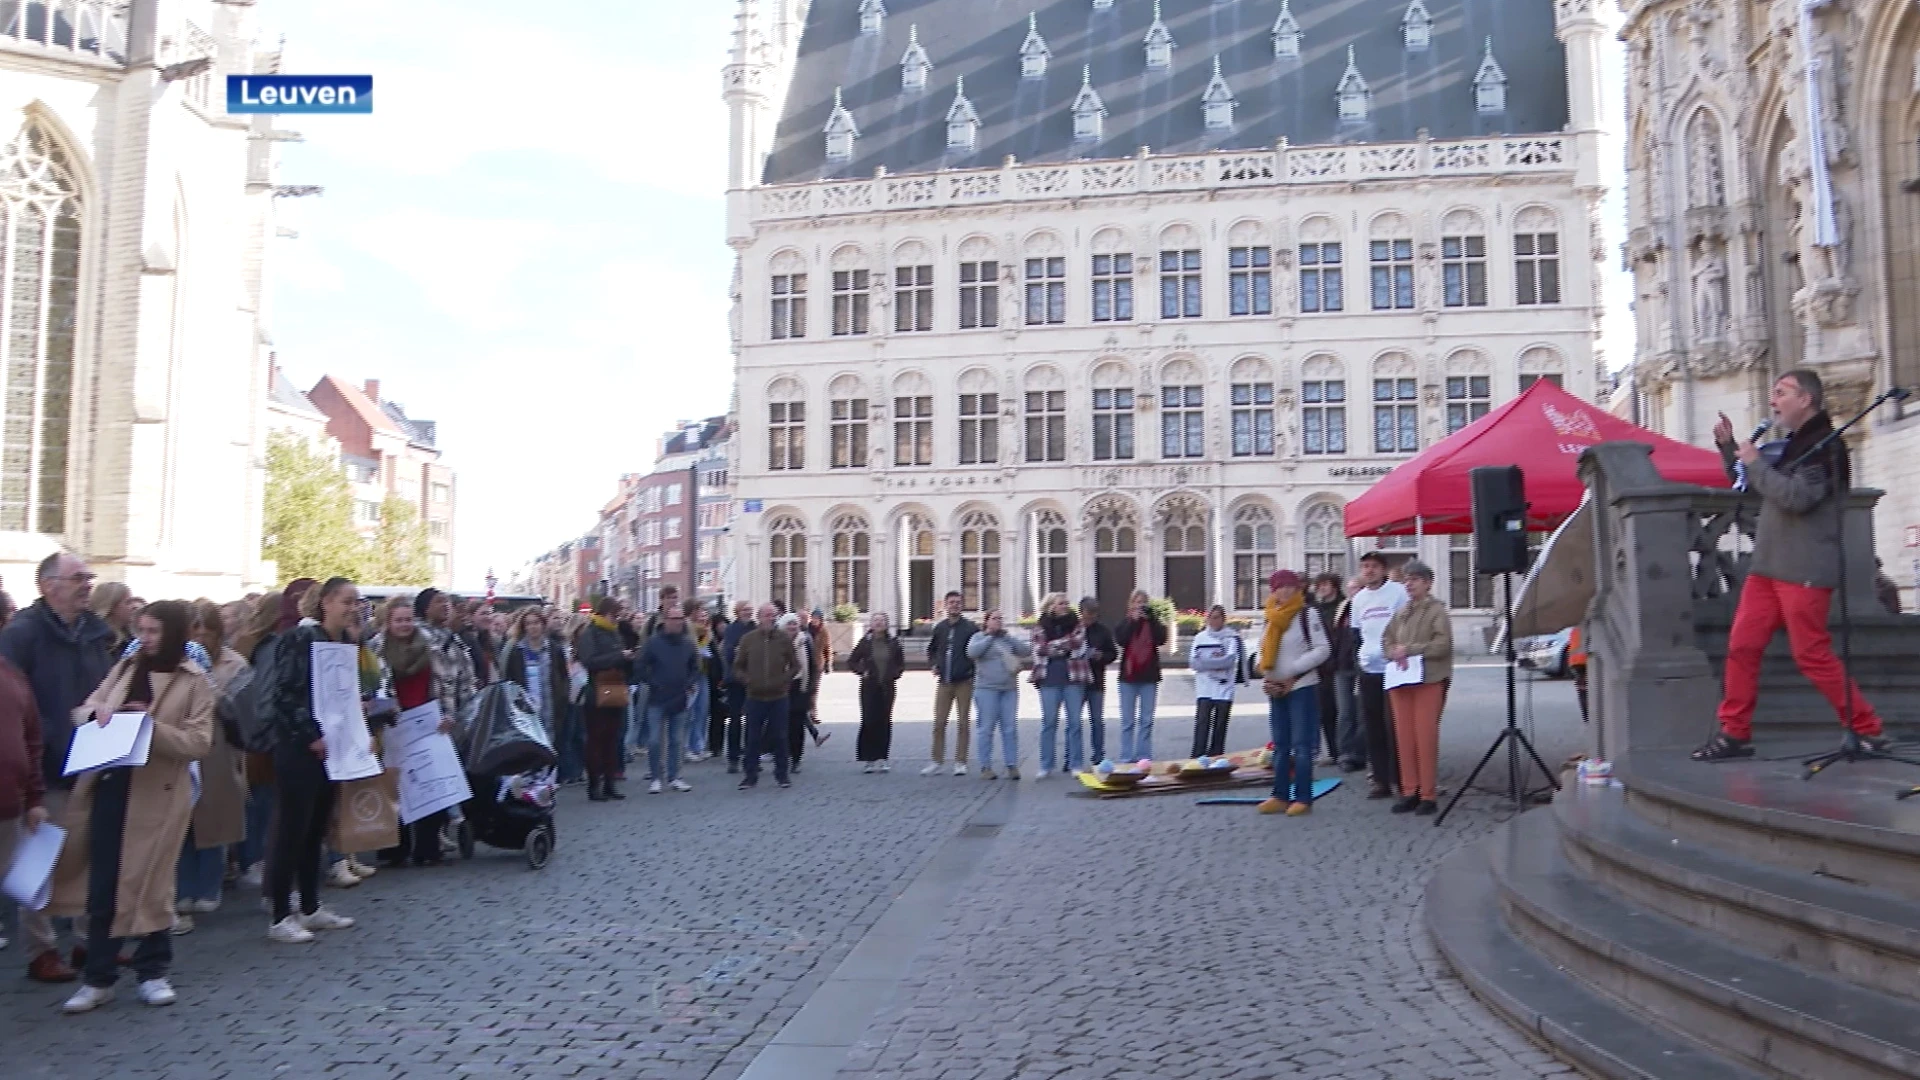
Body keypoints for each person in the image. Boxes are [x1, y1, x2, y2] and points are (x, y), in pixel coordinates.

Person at [1695, 370, 1891, 760]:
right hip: (1768, 567)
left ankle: (1868, 730)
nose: (1773, 400)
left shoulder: (1825, 446)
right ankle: (1735, 734)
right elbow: (1748, 484)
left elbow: (1797, 497)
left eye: (1781, 393)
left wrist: (1753, 461)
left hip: (1804, 567)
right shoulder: (1791, 445)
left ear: (1806, 399)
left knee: (1811, 654)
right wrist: (1728, 448)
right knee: (1742, 647)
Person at [51, 600, 214, 1011]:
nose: (145, 638)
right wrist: (98, 714)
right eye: (141, 629)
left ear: (174, 633)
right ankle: (98, 976)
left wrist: (150, 727)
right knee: (104, 883)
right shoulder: (125, 667)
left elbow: (199, 742)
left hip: (158, 795)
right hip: (112, 786)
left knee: (153, 883)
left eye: (155, 631)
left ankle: (153, 971)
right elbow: (83, 709)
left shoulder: (194, 680)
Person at [0, 553, 113, 983]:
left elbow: (105, 688)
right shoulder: (23, 633)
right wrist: (45, 740)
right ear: (48, 585)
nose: (87, 584)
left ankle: (89, 941)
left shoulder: (95, 633)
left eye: (89, 577)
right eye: (77, 578)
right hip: (46, 765)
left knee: (90, 857)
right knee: (41, 861)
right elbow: (15, 700)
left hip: (92, 762)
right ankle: (41, 949)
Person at [262, 578, 362, 943]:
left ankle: (310, 905)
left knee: (316, 828)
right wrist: (310, 734)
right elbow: (285, 695)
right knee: (292, 829)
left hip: (331, 747)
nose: (353, 607)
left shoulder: (345, 642)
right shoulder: (300, 638)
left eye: (356, 601)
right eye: (346, 601)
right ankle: (278, 915)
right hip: (299, 748)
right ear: (326, 602)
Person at [173, 601, 250, 931]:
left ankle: (209, 886)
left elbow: (240, 710)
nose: (202, 638)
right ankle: (184, 889)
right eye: (196, 632)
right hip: (184, 746)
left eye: (208, 632)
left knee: (214, 822)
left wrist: (214, 693)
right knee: (184, 824)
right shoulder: (177, 659)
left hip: (219, 749)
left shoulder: (235, 663)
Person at [369, 597, 456, 866]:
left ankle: (429, 847)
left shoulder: (431, 646)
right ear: (388, 622)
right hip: (392, 722)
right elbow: (371, 686)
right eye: (399, 620)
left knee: (430, 782)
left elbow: (446, 681)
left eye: (408, 619)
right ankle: (395, 849)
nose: (404, 625)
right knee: (394, 785)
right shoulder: (376, 648)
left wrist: (448, 712)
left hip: (428, 720)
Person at [1256, 573, 1331, 816]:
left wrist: (1293, 671)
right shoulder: (1269, 617)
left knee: (1301, 744)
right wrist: (1264, 671)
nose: (1285, 592)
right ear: (1273, 591)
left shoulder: (1307, 615)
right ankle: (1279, 794)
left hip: (1301, 686)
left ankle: (1302, 797)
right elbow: (1262, 649)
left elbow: (1323, 649)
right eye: (1280, 587)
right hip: (1276, 687)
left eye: (1290, 587)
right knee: (1280, 744)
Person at [1382, 561, 1453, 815]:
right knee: (1405, 738)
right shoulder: (1401, 612)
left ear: (1427, 583)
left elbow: (1442, 645)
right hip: (1402, 681)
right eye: (1406, 580)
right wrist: (1391, 651)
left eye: (1414, 579)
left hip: (1428, 680)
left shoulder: (1436, 611)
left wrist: (1409, 650)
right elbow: (1387, 639)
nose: (1409, 584)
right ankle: (1409, 790)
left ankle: (1428, 794)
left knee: (1425, 737)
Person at [0, 652, 48, 970]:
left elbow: (32, 740)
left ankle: (42, 953)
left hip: (10, 802)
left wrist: (34, 798)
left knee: (27, 880)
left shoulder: (13, 675)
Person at [1351, 553, 1410, 798]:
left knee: (1393, 725)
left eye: (1374, 567)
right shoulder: (1359, 599)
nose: (1369, 571)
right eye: (1365, 567)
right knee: (1372, 726)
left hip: (1393, 668)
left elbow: (1406, 625)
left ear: (1383, 570)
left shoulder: (1397, 592)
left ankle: (1401, 778)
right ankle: (1380, 780)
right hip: (1368, 669)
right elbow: (1356, 633)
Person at [636, 601, 700, 794]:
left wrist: (689, 683)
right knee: (655, 740)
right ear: (665, 620)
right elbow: (640, 666)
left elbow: (695, 667)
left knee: (676, 740)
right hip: (657, 697)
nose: (679, 622)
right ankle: (655, 777)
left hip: (679, 696)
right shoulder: (653, 643)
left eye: (681, 619)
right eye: (674, 619)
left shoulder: (687, 643)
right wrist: (652, 682)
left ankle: (675, 776)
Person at [735, 604, 799, 790]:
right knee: (752, 737)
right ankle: (750, 776)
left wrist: (784, 679)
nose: (770, 619)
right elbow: (738, 665)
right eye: (767, 615)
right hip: (755, 696)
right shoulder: (748, 639)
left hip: (778, 696)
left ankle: (782, 775)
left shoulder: (783, 639)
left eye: (773, 616)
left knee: (780, 736)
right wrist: (746, 679)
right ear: (759, 617)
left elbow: (795, 665)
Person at [575, 597, 633, 800]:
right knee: (596, 738)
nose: (616, 619)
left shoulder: (612, 631)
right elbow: (589, 660)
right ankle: (594, 785)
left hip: (615, 684)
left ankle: (609, 783)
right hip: (597, 687)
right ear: (605, 613)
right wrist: (619, 656)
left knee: (613, 737)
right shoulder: (590, 632)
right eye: (614, 615)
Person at [1030, 594, 1090, 778]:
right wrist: (1062, 646)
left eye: (1067, 603)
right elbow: (1039, 648)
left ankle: (1076, 764)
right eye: (1061, 603)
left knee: (1075, 723)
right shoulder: (1040, 626)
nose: (1065, 606)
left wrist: (1052, 646)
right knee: (1049, 723)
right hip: (1048, 679)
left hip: (1073, 677)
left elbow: (1077, 643)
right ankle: (1046, 765)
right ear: (1051, 606)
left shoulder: (1077, 624)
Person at [968, 610, 1030, 780]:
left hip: (1009, 689)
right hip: (986, 689)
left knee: (1009, 728)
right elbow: (972, 653)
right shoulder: (979, 637)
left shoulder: (1007, 639)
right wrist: (989, 636)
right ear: (986, 621)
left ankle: (1011, 764)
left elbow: (1026, 650)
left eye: (1000, 619)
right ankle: (985, 766)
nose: (998, 621)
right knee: (986, 729)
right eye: (994, 619)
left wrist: (1009, 638)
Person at [923, 592, 978, 776]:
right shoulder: (940, 628)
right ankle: (936, 760)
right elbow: (932, 649)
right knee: (939, 722)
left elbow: (977, 652)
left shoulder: (970, 628)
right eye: (951, 602)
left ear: (962, 605)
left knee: (963, 722)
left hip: (964, 681)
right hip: (944, 681)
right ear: (945, 605)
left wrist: (972, 671)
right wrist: (933, 665)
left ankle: (960, 761)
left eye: (957, 602)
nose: (954, 605)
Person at [1114, 590, 1168, 762]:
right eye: (1137, 602)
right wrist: (1133, 622)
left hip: (1149, 676)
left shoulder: (1153, 622)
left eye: (1143, 602)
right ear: (1131, 604)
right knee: (1127, 721)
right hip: (1128, 677)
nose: (1140, 605)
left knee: (1146, 720)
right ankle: (1126, 756)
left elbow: (1161, 639)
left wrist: (1151, 619)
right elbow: (1121, 639)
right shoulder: (1125, 622)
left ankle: (1144, 755)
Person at [849, 612, 905, 773]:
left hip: (887, 687)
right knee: (869, 720)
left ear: (887, 624)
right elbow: (852, 661)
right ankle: (869, 758)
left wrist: (895, 673)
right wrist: (862, 671)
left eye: (882, 620)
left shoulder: (894, 642)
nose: (879, 623)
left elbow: (900, 663)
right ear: (871, 624)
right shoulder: (865, 642)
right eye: (876, 620)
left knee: (884, 721)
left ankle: (883, 757)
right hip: (869, 687)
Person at [504, 607, 570, 742]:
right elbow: (509, 680)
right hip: (525, 710)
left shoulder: (554, 649)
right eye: (528, 623)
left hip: (550, 707)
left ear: (543, 624)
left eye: (536, 622)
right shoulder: (517, 651)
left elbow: (563, 675)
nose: (533, 627)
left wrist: (563, 697)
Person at [1188, 605, 1245, 758]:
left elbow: (1229, 661)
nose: (1213, 621)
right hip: (1204, 687)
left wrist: (1207, 662)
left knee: (1220, 725)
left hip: (1224, 688)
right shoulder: (1200, 638)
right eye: (1211, 617)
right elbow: (1194, 663)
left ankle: (1216, 757)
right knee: (1202, 724)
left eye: (1217, 617)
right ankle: (1198, 757)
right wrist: (1214, 663)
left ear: (1223, 619)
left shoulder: (1231, 638)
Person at [1076, 598, 1118, 762]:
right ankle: (1071, 756)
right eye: (1088, 614)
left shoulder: (1103, 631)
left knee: (1097, 720)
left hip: (1096, 680)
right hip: (1077, 681)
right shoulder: (1074, 629)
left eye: (1094, 614)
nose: (1091, 618)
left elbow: (1113, 653)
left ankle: (1099, 754)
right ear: (1081, 612)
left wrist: (1102, 656)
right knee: (1074, 721)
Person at [720, 602, 756, 773]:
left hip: (754, 679)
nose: (748, 612)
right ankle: (733, 757)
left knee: (752, 719)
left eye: (750, 610)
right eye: (745, 610)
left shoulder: (755, 628)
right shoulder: (731, 629)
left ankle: (750, 756)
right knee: (735, 719)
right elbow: (729, 653)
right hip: (735, 679)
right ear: (738, 612)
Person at [89, 582, 141, 656]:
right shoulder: (98, 640)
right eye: (128, 602)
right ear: (111, 607)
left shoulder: (131, 637)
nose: (134, 606)